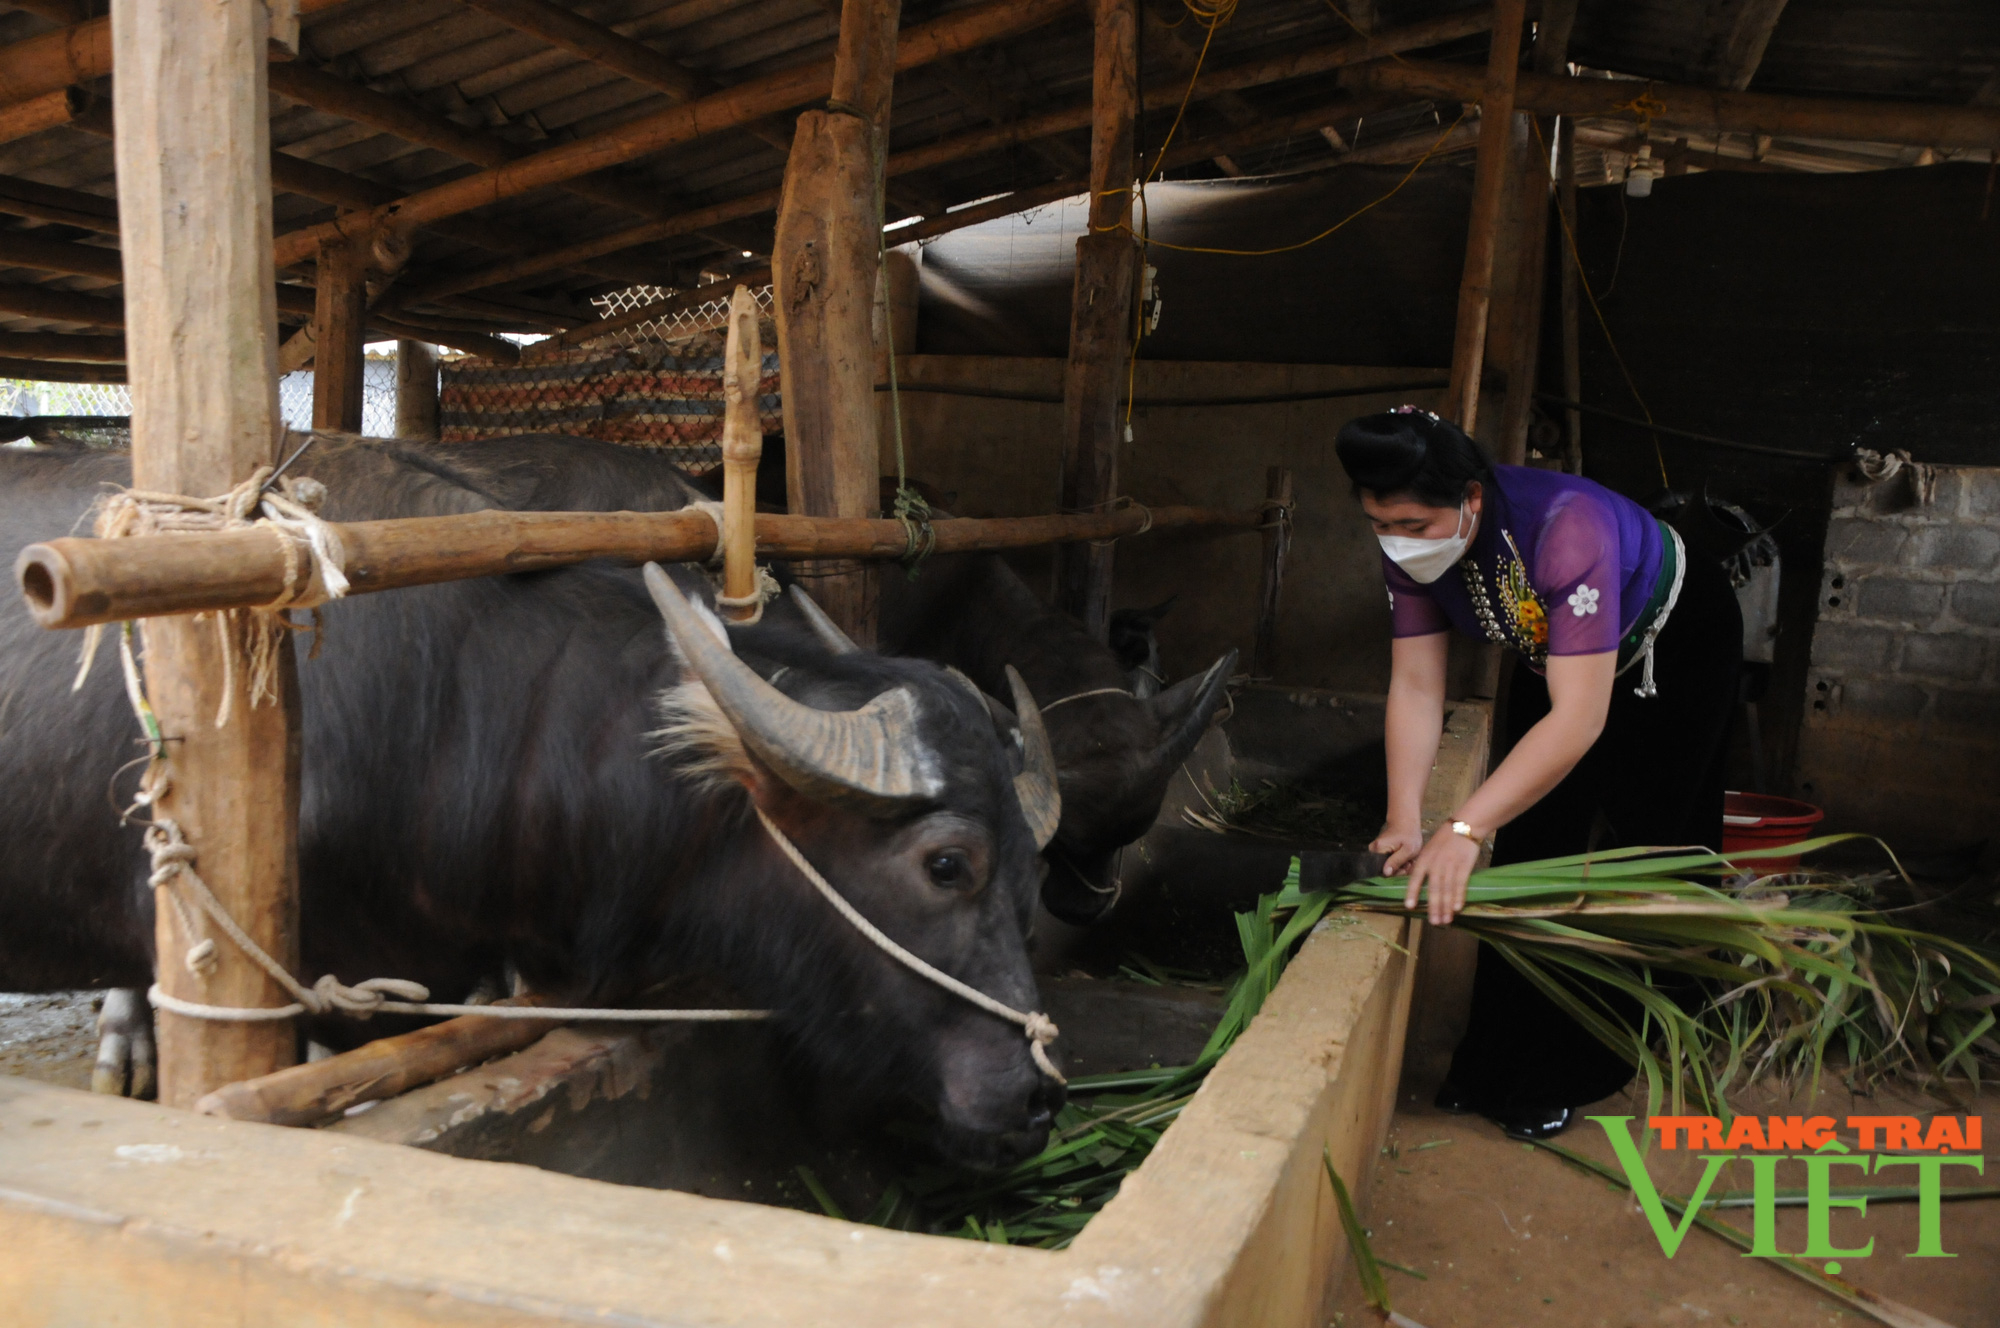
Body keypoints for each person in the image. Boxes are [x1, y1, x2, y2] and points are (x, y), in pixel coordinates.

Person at [1335, 406, 1741, 1139]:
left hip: (1674, 647)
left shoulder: (1566, 529)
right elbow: (1419, 687)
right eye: (1377, 523)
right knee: (1530, 846)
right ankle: (1493, 1060)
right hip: (1554, 651)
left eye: (1413, 525)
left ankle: (1583, 1065)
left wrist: (1462, 826)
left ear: (1472, 501)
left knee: (1636, 847)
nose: (1396, 541)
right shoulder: (1411, 545)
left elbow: (1579, 721)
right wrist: (1405, 816)